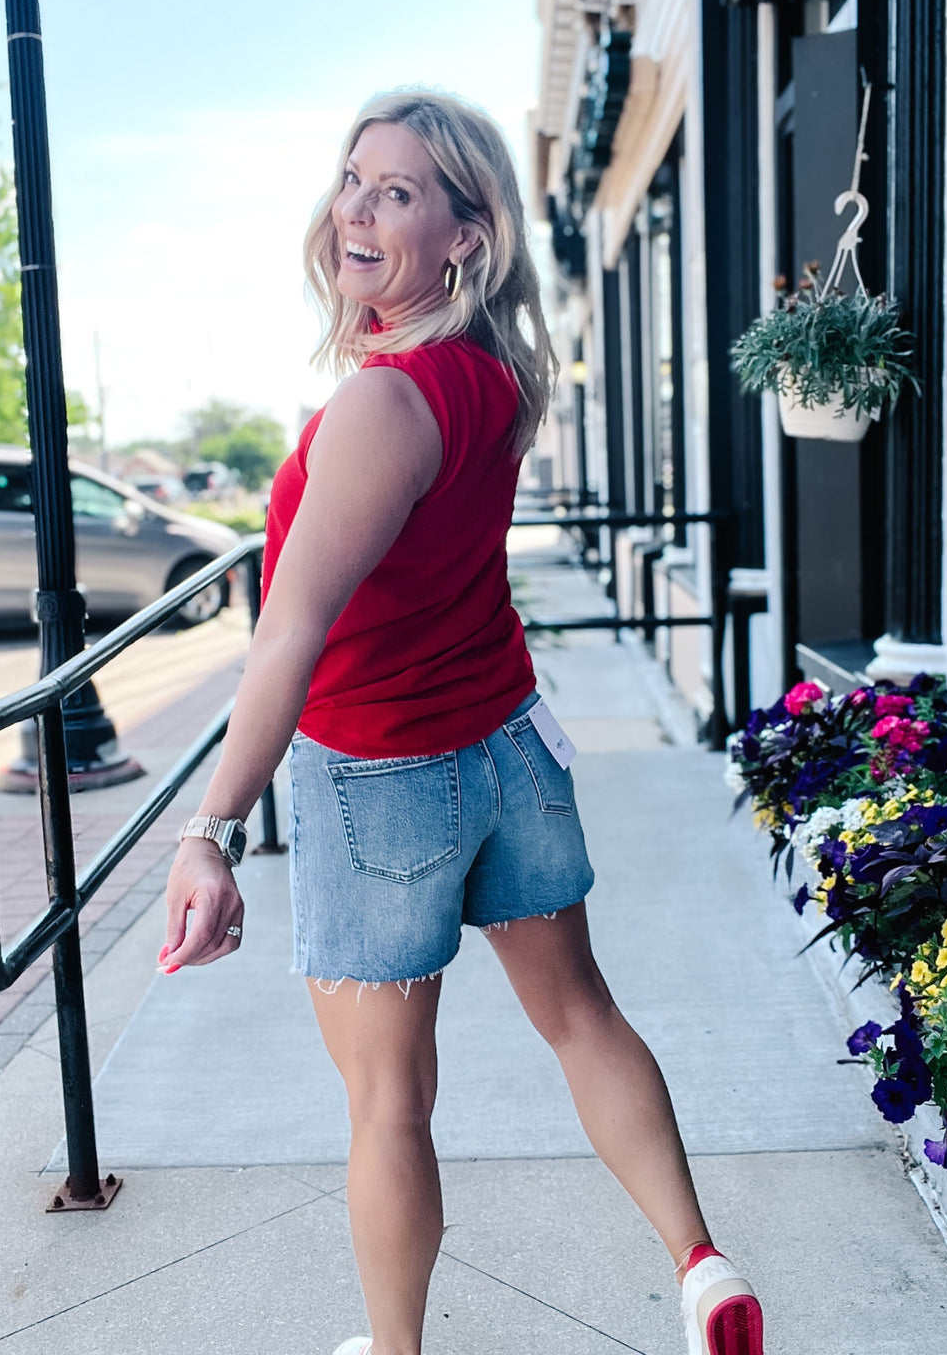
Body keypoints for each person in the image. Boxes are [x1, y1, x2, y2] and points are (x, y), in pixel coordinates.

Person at [159, 89, 764, 1355]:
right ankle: (701, 1265)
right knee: (582, 1016)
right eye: (353, 178)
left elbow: (289, 631)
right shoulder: (496, 378)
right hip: (508, 755)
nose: (357, 208)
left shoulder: (379, 407)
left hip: (381, 783)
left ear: (465, 236)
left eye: (398, 192)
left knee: (388, 1102)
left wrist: (209, 830)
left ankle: (397, 1353)